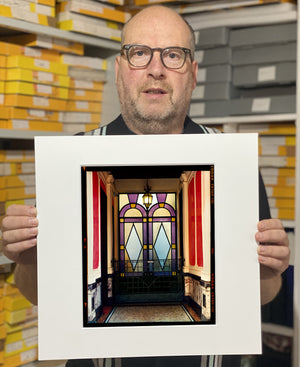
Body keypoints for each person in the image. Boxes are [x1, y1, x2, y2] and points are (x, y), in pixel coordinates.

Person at [1, 5, 290, 367]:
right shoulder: (72, 161)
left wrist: (269, 270)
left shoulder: (233, 163)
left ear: (194, 72)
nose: (156, 69)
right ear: (119, 70)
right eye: (139, 53)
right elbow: (35, 293)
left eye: (173, 55)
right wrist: (28, 258)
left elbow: (264, 293)